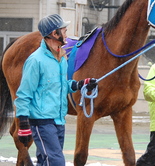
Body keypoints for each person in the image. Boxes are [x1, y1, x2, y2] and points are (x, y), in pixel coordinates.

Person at [14, 14, 97, 166]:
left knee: (46, 161)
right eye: (64, 31)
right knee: (56, 162)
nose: (67, 35)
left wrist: (80, 85)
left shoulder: (61, 58)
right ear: (54, 34)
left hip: (59, 120)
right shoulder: (35, 61)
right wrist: (23, 124)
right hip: (41, 122)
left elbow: (62, 85)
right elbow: (23, 95)